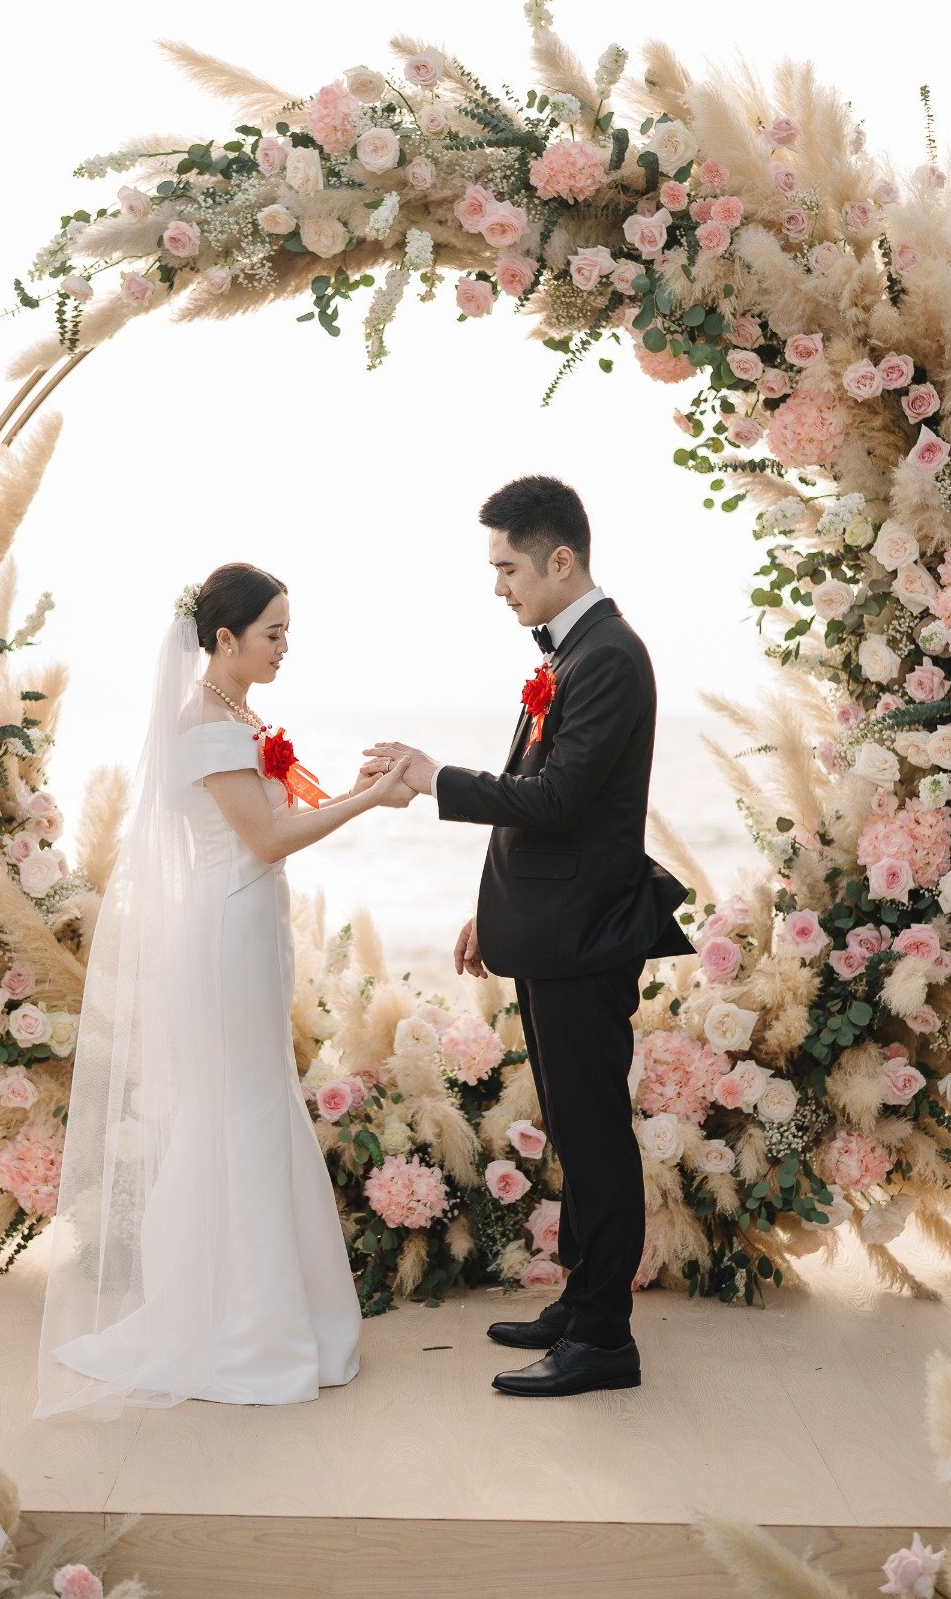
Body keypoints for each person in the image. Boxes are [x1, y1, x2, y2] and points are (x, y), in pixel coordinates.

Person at [34, 563, 413, 1418]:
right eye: (273, 633)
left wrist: (355, 789)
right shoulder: (208, 724)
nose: (286, 647)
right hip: (227, 929)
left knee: (255, 1101)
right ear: (224, 640)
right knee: (240, 1108)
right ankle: (241, 1326)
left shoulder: (236, 713)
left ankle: (270, 1314)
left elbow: (277, 810)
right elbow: (269, 836)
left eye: (287, 632)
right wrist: (371, 803)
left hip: (249, 925)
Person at [364, 475, 697, 1398]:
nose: (499, 586)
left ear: (561, 559)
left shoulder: (611, 658)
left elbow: (556, 799)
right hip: (552, 928)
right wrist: (493, 908)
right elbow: (545, 808)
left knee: (595, 1138)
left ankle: (603, 1341)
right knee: (573, 1130)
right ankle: (580, 1305)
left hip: (586, 941)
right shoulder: (574, 651)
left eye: (508, 567)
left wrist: (435, 779)